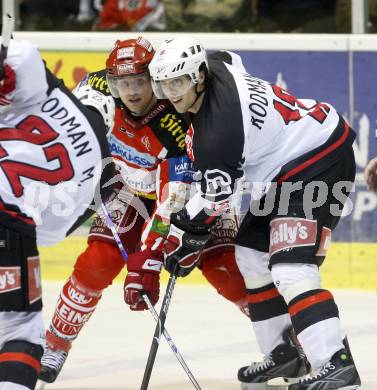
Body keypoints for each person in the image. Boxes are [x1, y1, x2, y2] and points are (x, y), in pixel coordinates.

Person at [145, 36, 362, 390]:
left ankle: (336, 366)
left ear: (198, 76)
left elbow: (214, 200)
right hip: (285, 165)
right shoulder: (217, 65)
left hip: (318, 160)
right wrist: (188, 230)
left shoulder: (216, 134)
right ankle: (285, 353)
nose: (170, 92)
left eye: (178, 82)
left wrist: (186, 234)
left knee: (292, 267)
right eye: (163, 83)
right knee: (251, 255)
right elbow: (233, 57)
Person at [37, 36, 249, 386]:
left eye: (139, 81)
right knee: (97, 263)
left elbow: (173, 199)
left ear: (155, 78)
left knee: (224, 270)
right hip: (129, 187)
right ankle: (54, 344)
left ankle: (285, 342)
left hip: (196, 192)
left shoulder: (176, 119)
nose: (131, 92)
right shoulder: (97, 87)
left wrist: (150, 257)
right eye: (122, 83)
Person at [0, 38, 114, 390]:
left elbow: (21, 55)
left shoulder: (40, 88)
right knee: (20, 332)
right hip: (11, 225)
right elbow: (48, 235)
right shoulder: (101, 169)